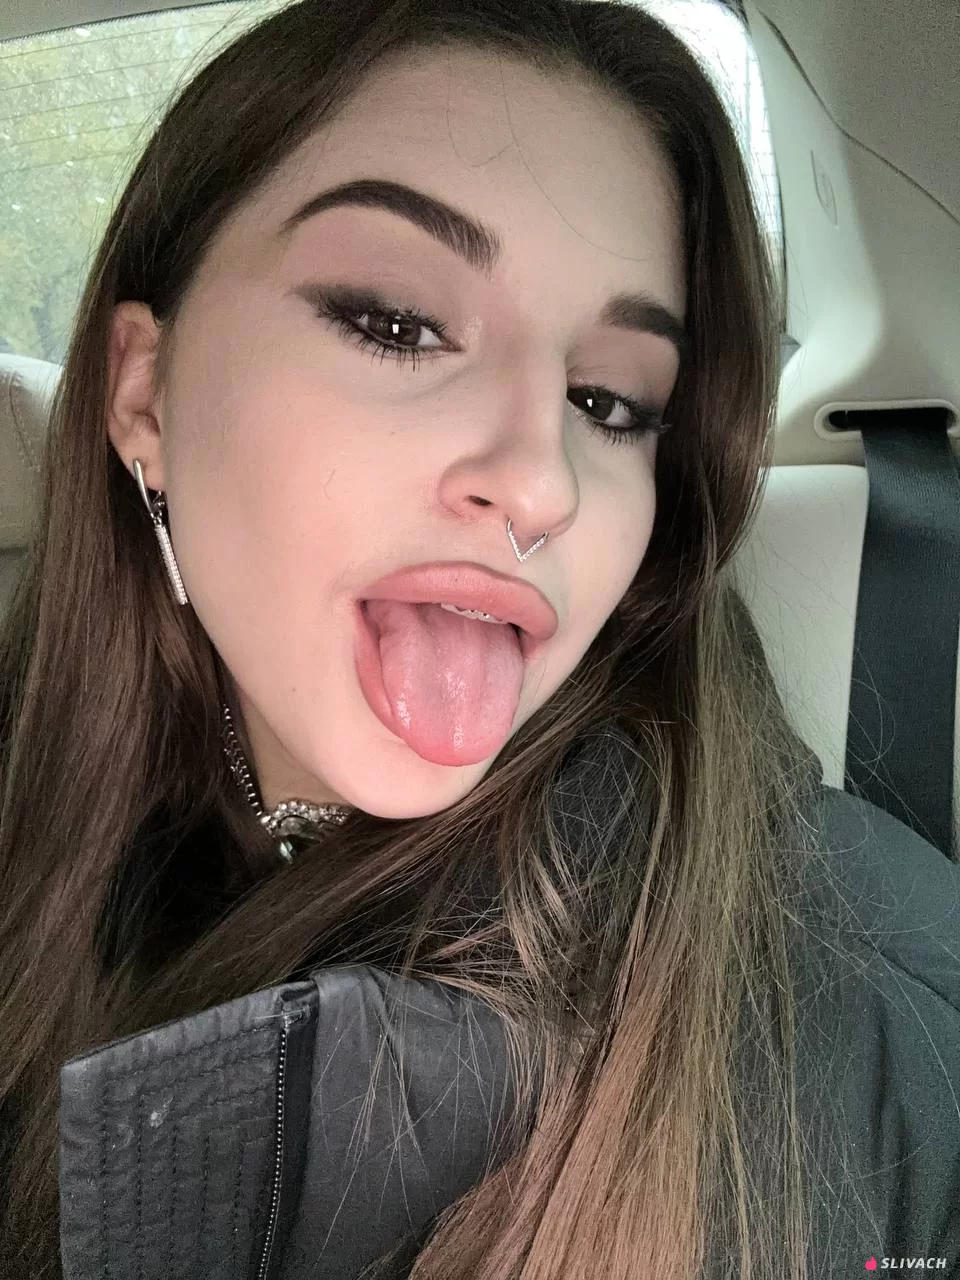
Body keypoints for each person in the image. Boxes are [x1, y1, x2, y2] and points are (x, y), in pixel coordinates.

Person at [0, 0, 958, 1276]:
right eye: (397, 322)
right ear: (143, 394)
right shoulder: (32, 799)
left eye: (610, 401)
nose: (543, 481)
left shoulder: (871, 1009)